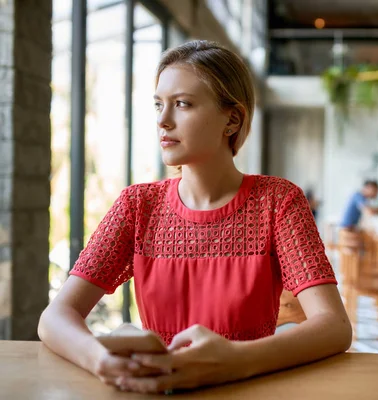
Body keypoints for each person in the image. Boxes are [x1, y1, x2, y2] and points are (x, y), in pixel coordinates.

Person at [38, 40, 352, 395]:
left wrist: (237, 360)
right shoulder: (137, 205)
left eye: (182, 104)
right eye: (159, 104)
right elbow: (54, 318)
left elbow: (334, 326)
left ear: (232, 119)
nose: (162, 120)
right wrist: (99, 359)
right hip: (155, 390)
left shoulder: (279, 202)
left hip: (249, 390)